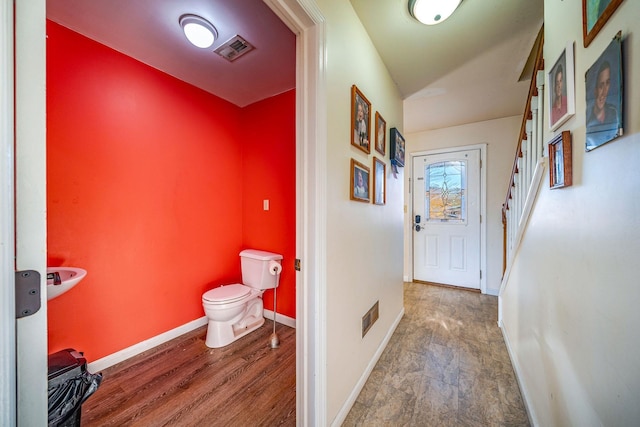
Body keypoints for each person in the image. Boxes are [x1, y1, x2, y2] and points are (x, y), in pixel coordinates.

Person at [586, 60, 619, 149]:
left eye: (607, 84)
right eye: (601, 85)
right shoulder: (588, 121)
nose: (604, 92)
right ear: (595, 90)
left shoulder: (614, 113)